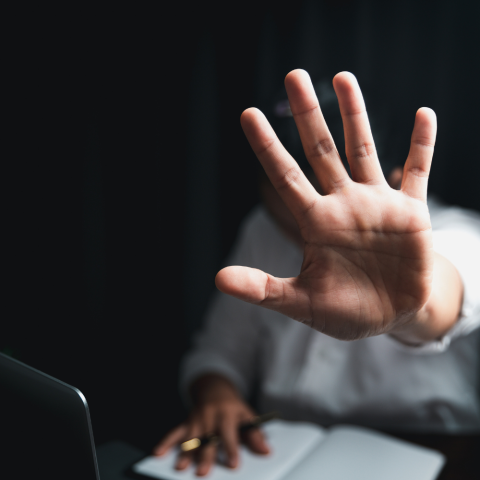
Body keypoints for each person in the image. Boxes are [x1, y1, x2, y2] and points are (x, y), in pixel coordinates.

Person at [154, 70, 480, 476]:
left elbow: (447, 298)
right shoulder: (263, 228)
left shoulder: (463, 233)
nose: (307, 228)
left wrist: (411, 309)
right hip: (282, 451)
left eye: (320, 203)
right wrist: (216, 392)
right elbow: (219, 351)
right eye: (286, 205)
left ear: (393, 180)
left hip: (432, 454)